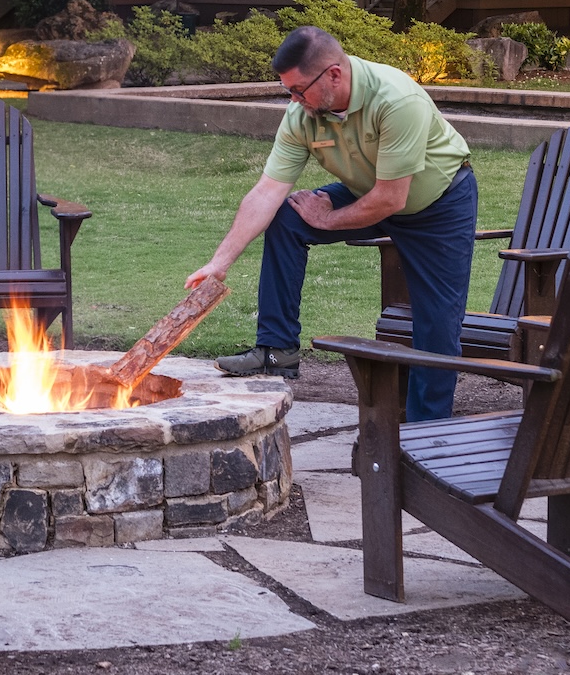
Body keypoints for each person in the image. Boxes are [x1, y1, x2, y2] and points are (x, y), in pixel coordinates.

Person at [187, 24, 476, 423]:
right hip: (369, 191)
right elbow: (266, 192)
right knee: (288, 219)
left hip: (437, 204)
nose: (293, 99)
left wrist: (329, 219)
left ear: (334, 75)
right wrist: (219, 262)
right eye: (287, 90)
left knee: (438, 322)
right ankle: (276, 352)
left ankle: (428, 432)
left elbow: (392, 198)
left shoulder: (396, 99)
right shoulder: (302, 114)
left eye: (298, 90)